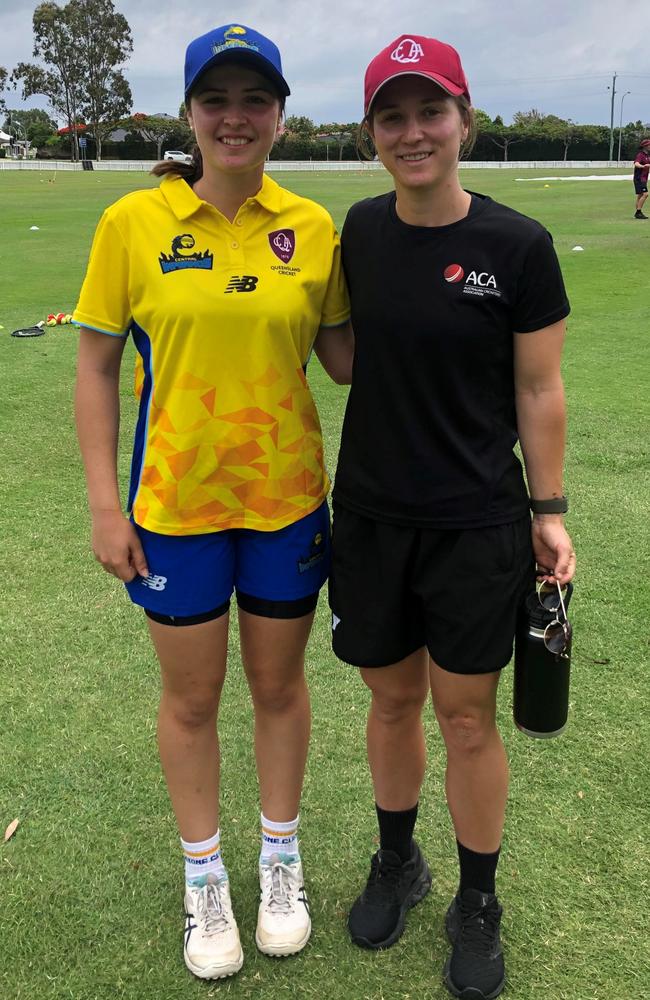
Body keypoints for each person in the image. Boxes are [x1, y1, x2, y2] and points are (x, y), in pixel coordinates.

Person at [73, 23, 352, 982]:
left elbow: (351, 358)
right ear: (189, 114)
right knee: (192, 699)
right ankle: (205, 881)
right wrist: (107, 508)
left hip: (285, 504)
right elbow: (96, 366)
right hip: (174, 508)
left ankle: (281, 861)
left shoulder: (312, 227)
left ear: (280, 114)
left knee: (278, 687)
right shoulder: (131, 224)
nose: (235, 118)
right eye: (216, 101)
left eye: (255, 101)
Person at [328, 34, 576, 1000]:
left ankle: (478, 900)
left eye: (431, 112)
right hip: (375, 516)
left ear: (465, 121)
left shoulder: (516, 246)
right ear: (372, 136)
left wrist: (548, 512)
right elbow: (347, 359)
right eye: (393, 116)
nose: (414, 132)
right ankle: (400, 859)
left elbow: (540, 388)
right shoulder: (355, 229)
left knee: (467, 721)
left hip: (478, 522)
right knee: (390, 701)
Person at [633, 137, 650, 218]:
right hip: (639, 178)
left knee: (640, 195)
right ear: (645, 146)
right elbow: (636, 163)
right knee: (645, 194)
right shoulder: (641, 155)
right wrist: (643, 166)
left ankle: (638, 212)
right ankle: (638, 212)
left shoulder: (647, 156)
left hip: (644, 178)